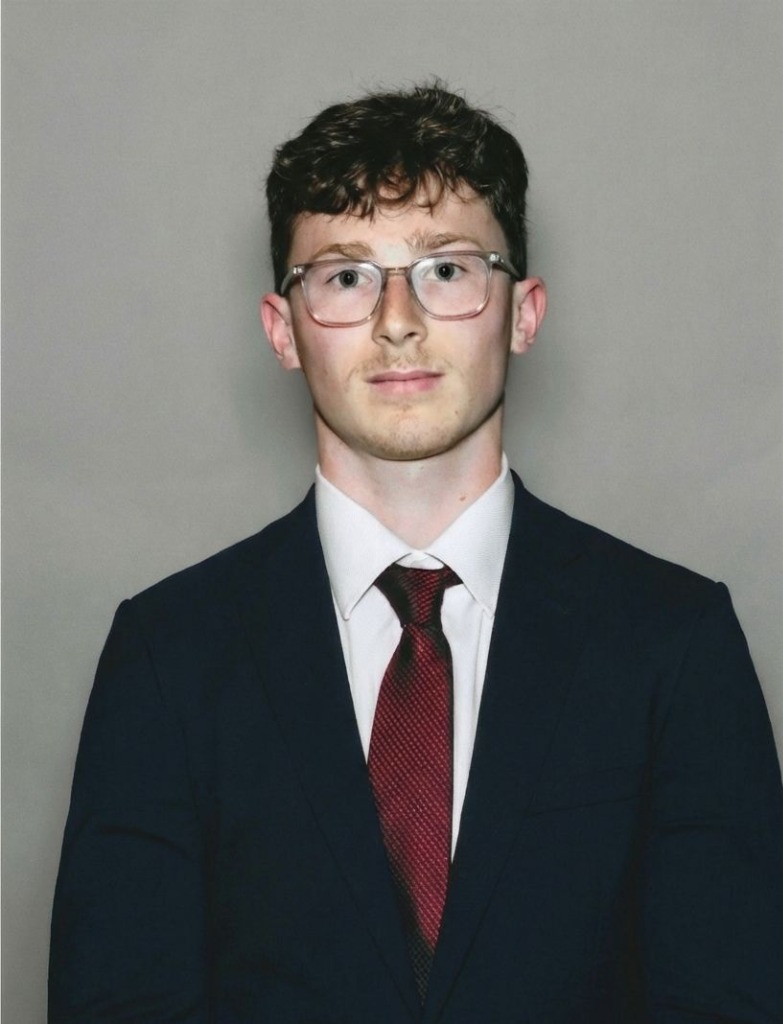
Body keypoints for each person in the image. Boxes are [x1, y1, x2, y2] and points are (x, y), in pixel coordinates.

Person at [49, 83, 782, 1023]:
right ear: (282, 329)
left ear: (523, 312)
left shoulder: (673, 643)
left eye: (445, 270)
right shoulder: (166, 655)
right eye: (347, 276)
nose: (398, 318)